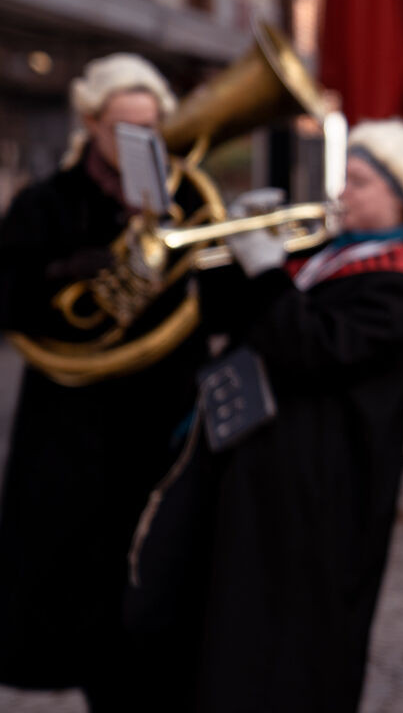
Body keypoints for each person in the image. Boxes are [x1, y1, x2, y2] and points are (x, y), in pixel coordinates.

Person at [129, 120, 403, 711]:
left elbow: (313, 349)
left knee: (281, 638)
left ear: (401, 197)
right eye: (345, 177)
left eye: (361, 181)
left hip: (318, 489)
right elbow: (233, 319)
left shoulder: (396, 280)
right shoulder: (326, 252)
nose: (343, 192)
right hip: (260, 466)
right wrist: (232, 257)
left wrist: (269, 272)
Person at [0, 54, 204, 709]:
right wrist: (63, 273)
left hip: (162, 417)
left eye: (151, 128)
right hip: (75, 431)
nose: (137, 143)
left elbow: (216, 308)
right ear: (90, 122)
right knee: (87, 597)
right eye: (122, 128)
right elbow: (6, 299)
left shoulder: (186, 198)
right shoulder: (45, 203)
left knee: (163, 584)